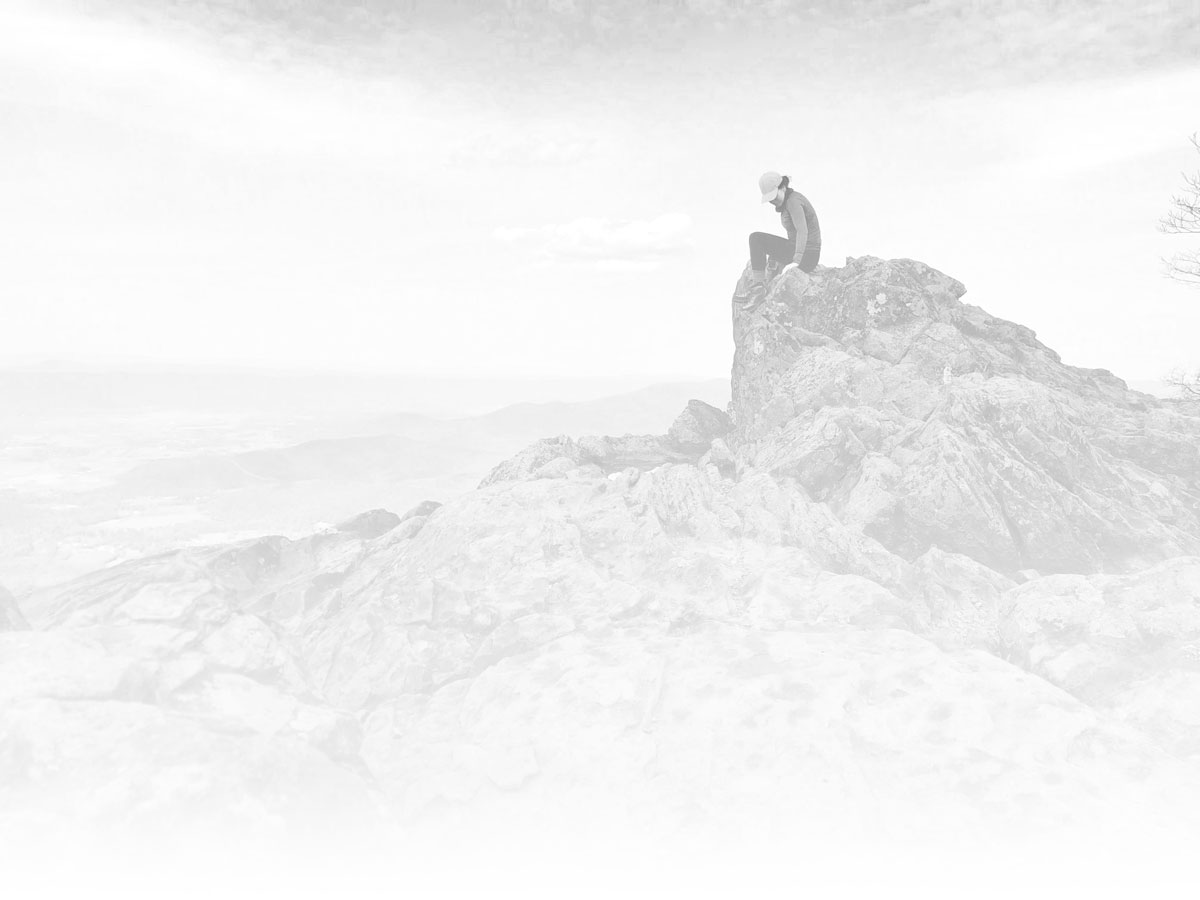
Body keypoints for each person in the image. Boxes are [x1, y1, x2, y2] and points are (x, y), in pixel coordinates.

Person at [738, 171, 822, 305]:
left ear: (783, 187)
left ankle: (759, 288)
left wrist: (797, 261)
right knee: (757, 240)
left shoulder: (794, 201)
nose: (772, 200)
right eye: (769, 198)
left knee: (756, 238)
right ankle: (758, 287)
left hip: (807, 255)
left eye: (773, 196)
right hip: (801, 251)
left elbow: (802, 231)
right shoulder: (787, 203)